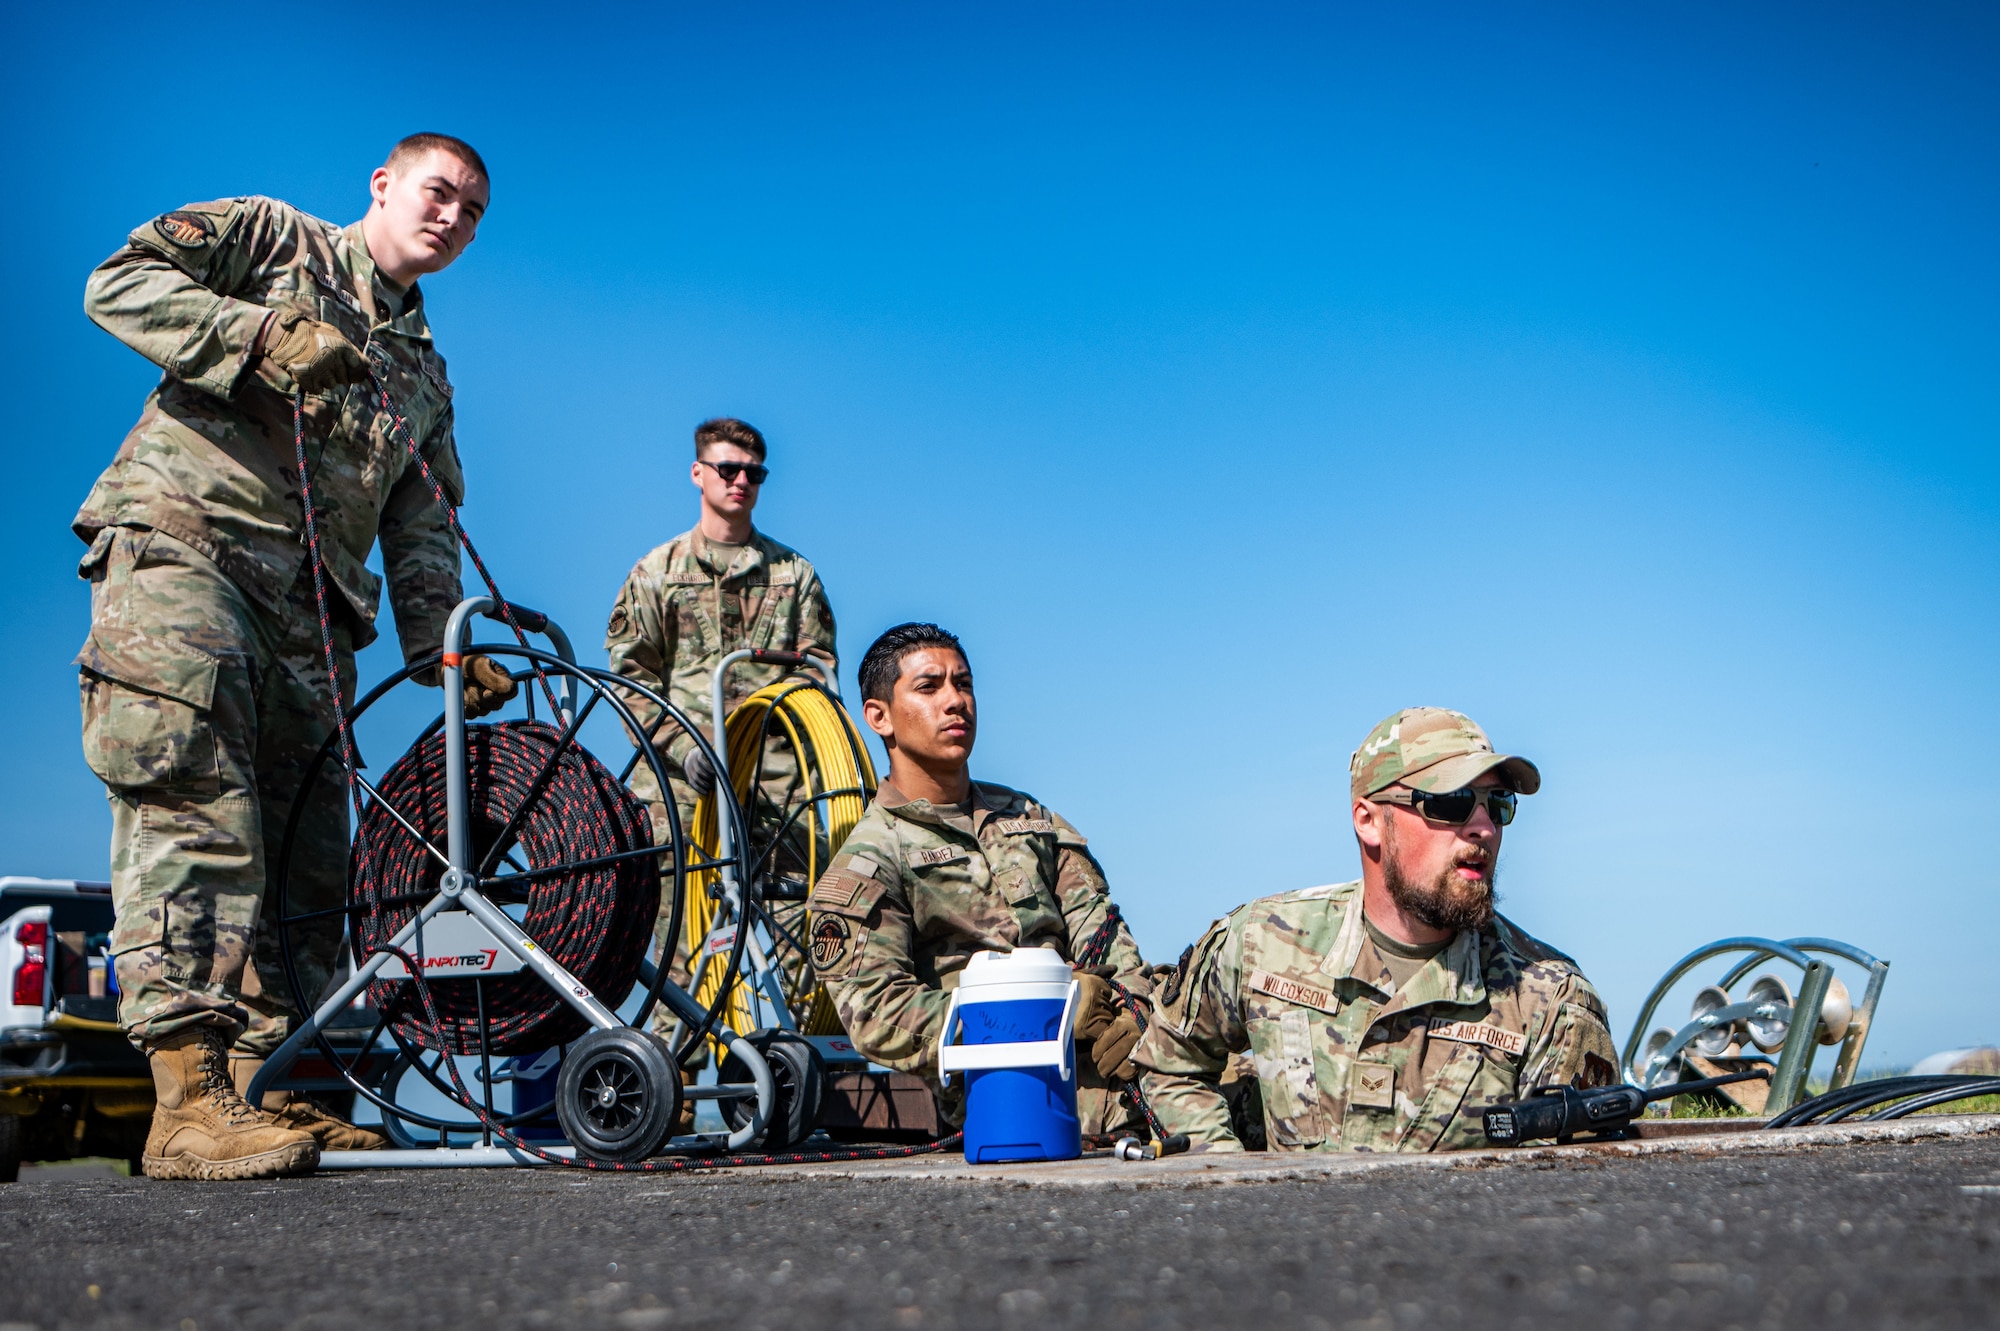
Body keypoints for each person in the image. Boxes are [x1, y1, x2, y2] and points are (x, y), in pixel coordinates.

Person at [75, 133, 516, 1180]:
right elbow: (116, 282)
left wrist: (441, 647)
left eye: (471, 211)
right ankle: (184, 1104)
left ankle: (260, 1083)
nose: (449, 217)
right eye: (436, 191)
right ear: (383, 184)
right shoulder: (274, 238)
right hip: (189, 547)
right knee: (193, 797)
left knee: (308, 846)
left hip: (314, 614)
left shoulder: (423, 373)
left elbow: (419, 517)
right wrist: (259, 332)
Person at [1133, 707, 1618, 1152]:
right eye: (1451, 802)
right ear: (1368, 821)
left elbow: (1567, 1192)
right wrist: (1230, 1184)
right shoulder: (1264, 942)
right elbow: (1169, 1062)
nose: (1484, 828)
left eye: (1497, 805)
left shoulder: (1550, 1003)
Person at [807, 623, 1153, 1136]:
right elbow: (877, 1011)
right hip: (1002, 1086)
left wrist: (1132, 1010)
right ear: (879, 717)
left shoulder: (1030, 816)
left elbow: (1102, 932)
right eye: (929, 687)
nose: (955, 702)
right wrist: (1040, 1013)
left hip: (1108, 1054)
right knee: (1200, 1102)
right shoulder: (872, 857)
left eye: (963, 684)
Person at [604, 417, 838, 1012]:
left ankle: (785, 1086)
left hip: (777, 792)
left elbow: (817, 677)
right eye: (728, 469)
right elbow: (630, 681)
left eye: (754, 473)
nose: (741, 482)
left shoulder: (795, 577)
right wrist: (683, 752)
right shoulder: (656, 573)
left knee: (801, 956)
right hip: (683, 793)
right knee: (679, 964)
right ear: (698, 473)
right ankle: (669, 1094)